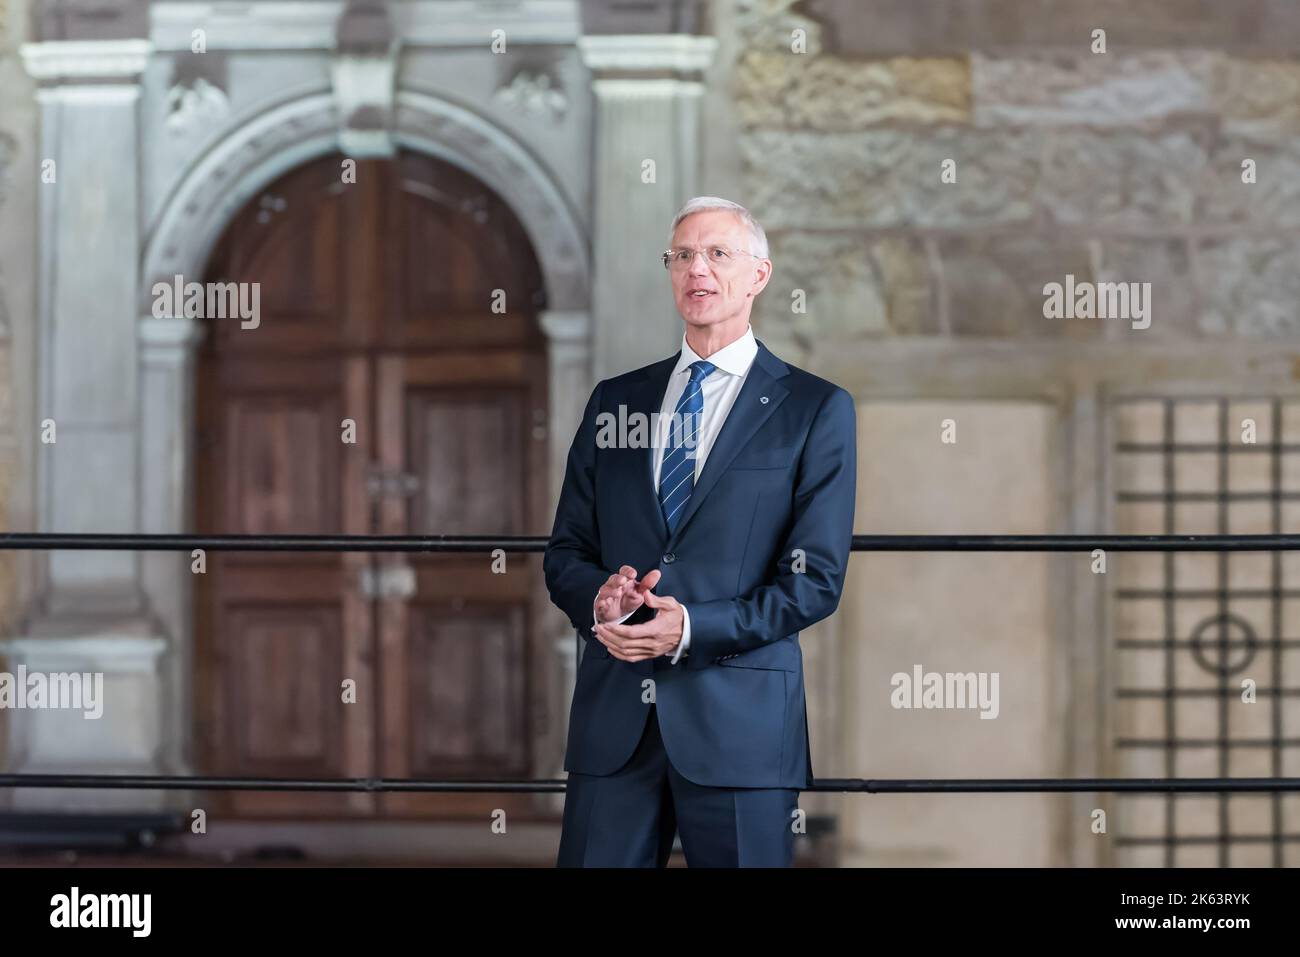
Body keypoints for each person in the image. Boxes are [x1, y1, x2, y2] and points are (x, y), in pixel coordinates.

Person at [544, 196, 857, 867]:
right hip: (615, 723)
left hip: (739, 724)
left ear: (759, 275)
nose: (698, 269)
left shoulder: (815, 408)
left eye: (718, 253)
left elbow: (816, 581)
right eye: (682, 255)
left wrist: (688, 627)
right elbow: (566, 550)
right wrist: (598, 598)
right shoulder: (615, 401)